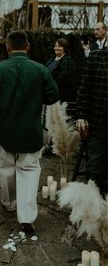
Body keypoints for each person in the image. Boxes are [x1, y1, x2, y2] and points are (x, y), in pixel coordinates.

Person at [0, 30, 59, 234]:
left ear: (8, 47)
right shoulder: (41, 70)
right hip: (30, 130)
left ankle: (9, 203)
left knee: (6, 168)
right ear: (27, 46)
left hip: (3, 130)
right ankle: (26, 217)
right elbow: (53, 96)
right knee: (29, 170)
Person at [76, 42, 108, 197]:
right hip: (98, 122)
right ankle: (92, 207)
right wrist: (81, 116)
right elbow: (84, 89)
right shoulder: (96, 57)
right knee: (94, 168)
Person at [46, 38, 77, 102]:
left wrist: (48, 83)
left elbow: (62, 78)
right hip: (51, 92)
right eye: (55, 46)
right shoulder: (52, 58)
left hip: (62, 94)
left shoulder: (68, 60)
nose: (56, 48)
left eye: (59, 46)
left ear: (65, 48)